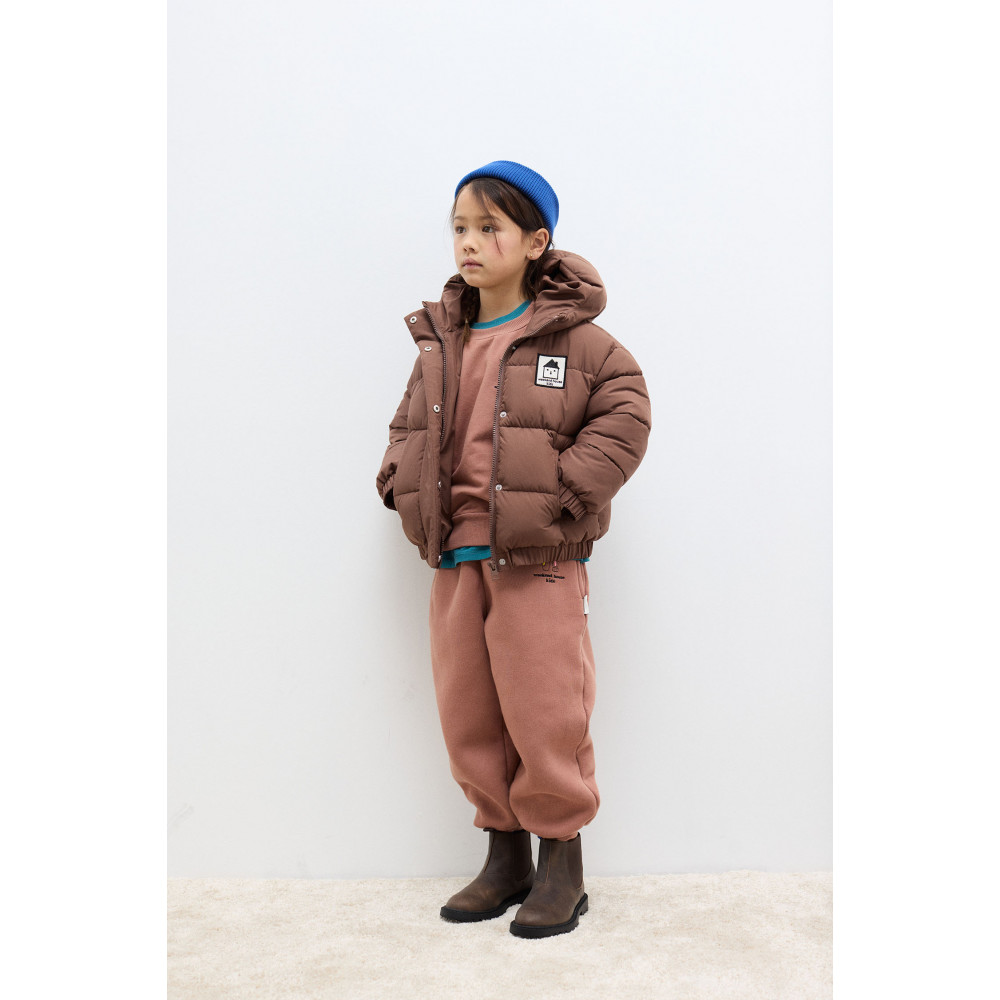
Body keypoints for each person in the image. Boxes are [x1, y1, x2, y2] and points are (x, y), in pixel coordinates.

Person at [376, 160, 651, 938]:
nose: (469, 242)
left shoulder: (578, 342)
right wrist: (398, 483)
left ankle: (562, 863)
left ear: (536, 242)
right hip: (456, 557)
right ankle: (505, 858)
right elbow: (407, 426)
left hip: (540, 560)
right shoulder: (443, 343)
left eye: (489, 227)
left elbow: (627, 414)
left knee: (544, 707)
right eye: (460, 228)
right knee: (468, 711)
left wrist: (565, 493)